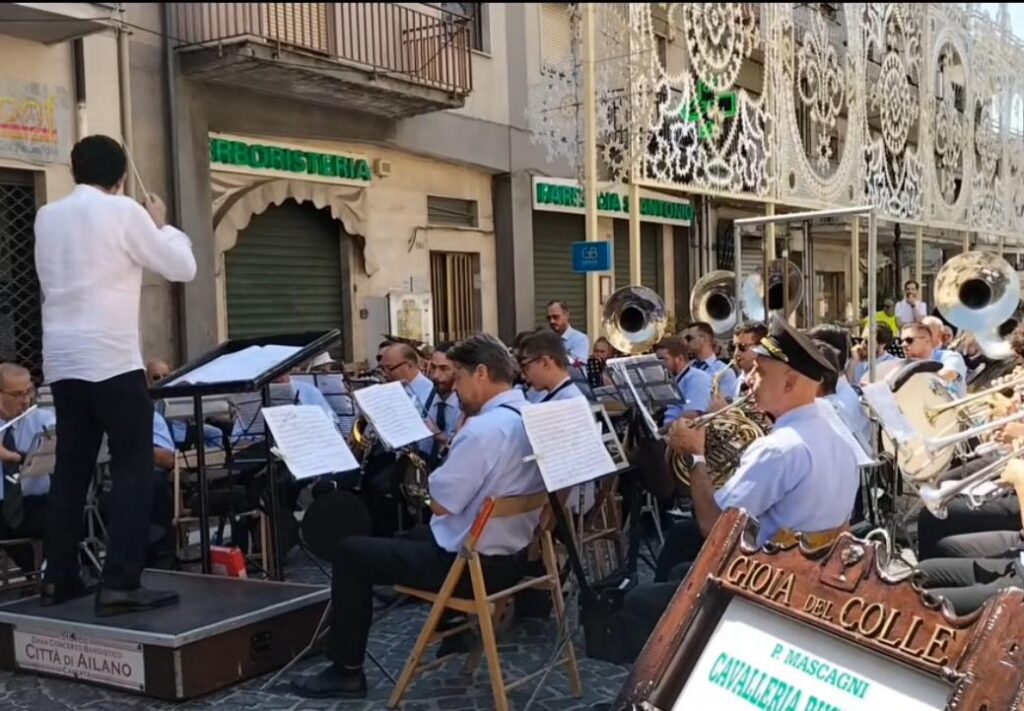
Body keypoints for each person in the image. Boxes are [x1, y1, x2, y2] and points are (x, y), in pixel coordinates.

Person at [292, 334, 544, 699]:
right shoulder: (530, 417)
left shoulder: (484, 430)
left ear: (483, 373)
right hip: (509, 560)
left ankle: (346, 670)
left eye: (457, 377)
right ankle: (451, 627)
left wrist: (455, 443)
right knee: (406, 539)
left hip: (470, 568)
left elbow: (440, 502)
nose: (454, 389)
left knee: (350, 553)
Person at [611, 317, 859, 661]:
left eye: (760, 372)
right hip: (808, 574)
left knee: (639, 603)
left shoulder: (778, 448)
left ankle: (658, 685)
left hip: (765, 584)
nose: (751, 382)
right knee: (680, 561)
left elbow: (714, 528)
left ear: (789, 382)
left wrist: (697, 455)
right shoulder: (836, 435)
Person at [34, 135, 196, 614]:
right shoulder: (125, 211)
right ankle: (121, 581)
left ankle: (57, 577)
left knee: (72, 468)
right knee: (133, 467)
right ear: (121, 178)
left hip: (62, 361)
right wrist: (161, 224)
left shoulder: (47, 216)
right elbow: (181, 267)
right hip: (111, 358)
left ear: (73, 171)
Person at [0, 364, 55, 574]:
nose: (25, 400)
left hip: (35, 502)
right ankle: (34, 573)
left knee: (60, 513)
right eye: (16, 395)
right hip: (2, 504)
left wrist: (14, 457)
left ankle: (47, 574)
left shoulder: (42, 420)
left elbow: (59, 451)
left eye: (28, 392)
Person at [655, 336, 712, 424]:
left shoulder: (697, 378)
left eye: (663, 360)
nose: (659, 365)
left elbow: (692, 416)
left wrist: (661, 431)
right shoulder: (669, 380)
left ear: (680, 359)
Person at [517, 330, 585, 403]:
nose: (523, 376)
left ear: (545, 363)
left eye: (526, 367)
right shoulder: (566, 396)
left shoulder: (569, 402)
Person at [902, 322, 966, 397]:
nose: (903, 344)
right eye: (901, 341)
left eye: (909, 340)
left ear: (927, 341)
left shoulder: (949, 357)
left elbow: (948, 375)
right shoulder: (905, 365)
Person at [422, 344, 462, 465]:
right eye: (433, 368)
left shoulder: (466, 405)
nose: (435, 375)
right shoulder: (428, 398)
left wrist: (440, 436)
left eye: (444, 368)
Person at [684, 322, 738, 402]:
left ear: (702, 339)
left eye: (689, 338)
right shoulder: (686, 368)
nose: (686, 343)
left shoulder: (725, 372)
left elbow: (723, 406)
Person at [731, 321, 768, 400]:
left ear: (761, 347)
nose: (736, 353)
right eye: (734, 347)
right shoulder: (737, 382)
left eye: (742, 347)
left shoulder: (767, 384)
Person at [546, 300, 590, 365]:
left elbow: (577, 366)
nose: (551, 321)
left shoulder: (580, 339)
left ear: (566, 315)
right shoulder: (546, 340)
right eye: (549, 318)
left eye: (555, 317)